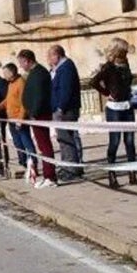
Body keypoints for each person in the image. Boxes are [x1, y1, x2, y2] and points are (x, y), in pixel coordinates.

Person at [89, 38, 137, 187]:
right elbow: (94, 82)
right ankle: (112, 174)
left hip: (127, 105)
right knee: (115, 141)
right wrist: (106, 93)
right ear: (117, 51)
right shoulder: (108, 67)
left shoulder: (126, 64)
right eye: (123, 51)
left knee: (130, 141)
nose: (125, 54)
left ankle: (132, 172)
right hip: (114, 108)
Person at [19, 49, 58, 188]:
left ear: (27, 60)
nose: (21, 66)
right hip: (35, 114)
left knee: (45, 145)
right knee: (42, 145)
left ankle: (50, 176)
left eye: (21, 63)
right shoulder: (33, 73)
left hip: (39, 114)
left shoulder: (39, 73)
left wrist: (34, 112)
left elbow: (40, 95)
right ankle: (48, 175)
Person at [0, 63, 36, 181]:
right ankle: (23, 163)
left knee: (26, 142)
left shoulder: (21, 83)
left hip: (19, 119)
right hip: (11, 119)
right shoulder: (10, 84)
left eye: (5, 72)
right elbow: (8, 100)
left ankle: (33, 164)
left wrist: (20, 119)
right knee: (18, 144)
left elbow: (23, 103)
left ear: (11, 72)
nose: (3, 75)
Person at [48, 45, 83, 181]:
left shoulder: (66, 68)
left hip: (66, 110)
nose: (49, 59)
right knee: (63, 139)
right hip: (60, 109)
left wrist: (61, 108)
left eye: (50, 56)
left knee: (67, 139)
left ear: (57, 55)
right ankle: (66, 166)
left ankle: (71, 169)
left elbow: (65, 90)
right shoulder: (58, 69)